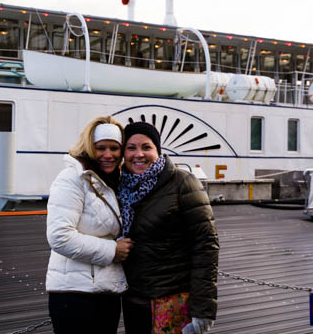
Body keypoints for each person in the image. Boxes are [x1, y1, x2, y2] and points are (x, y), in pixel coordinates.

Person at [118, 121, 219, 334]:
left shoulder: (182, 182)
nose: (139, 154)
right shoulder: (121, 187)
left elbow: (206, 246)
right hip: (134, 301)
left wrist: (203, 309)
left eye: (146, 147)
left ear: (158, 151)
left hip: (172, 302)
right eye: (131, 147)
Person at [46, 116, 134, 333]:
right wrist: (112, 250)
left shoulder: (113, 181)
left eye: (114, 148)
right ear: (89, 148)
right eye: (100, 148)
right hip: (74, 294)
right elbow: (60, 237)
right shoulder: (73, 178)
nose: (108, 155)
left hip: (105, 290)